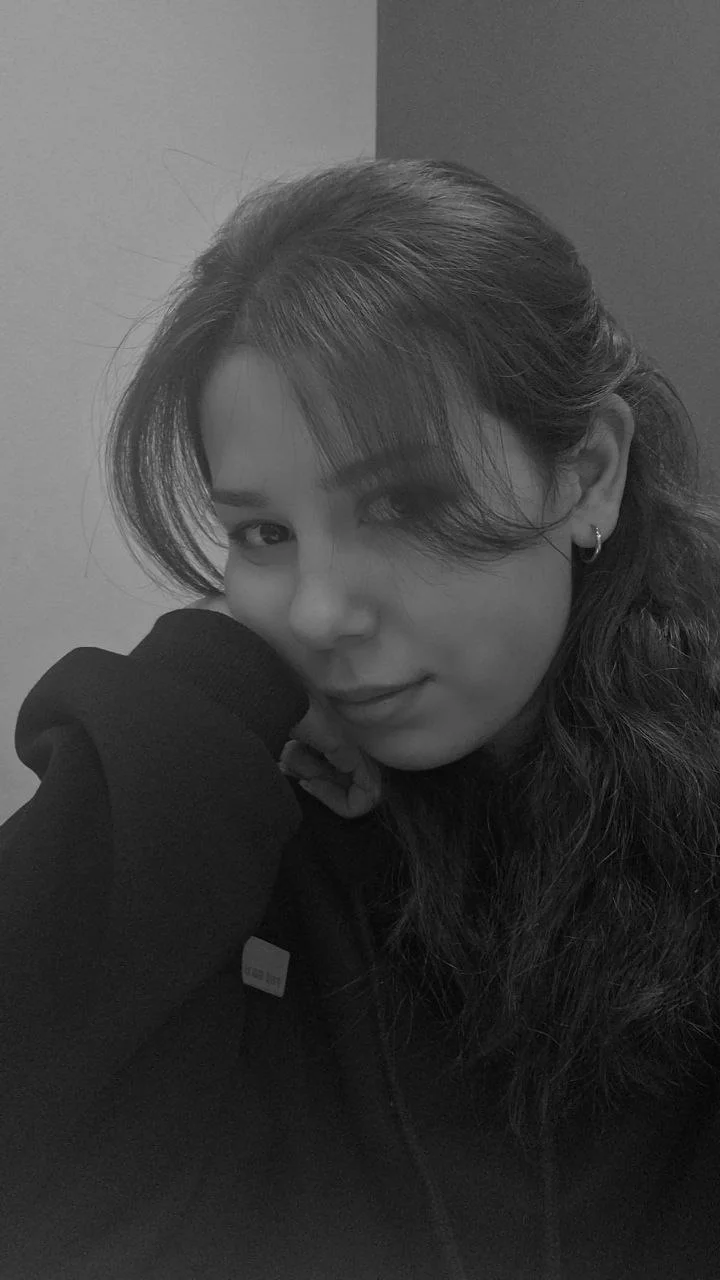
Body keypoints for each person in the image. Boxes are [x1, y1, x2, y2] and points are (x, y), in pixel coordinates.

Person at [2, 156, 720, 1280]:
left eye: (404, 503)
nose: (320, 614)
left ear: (587, 473)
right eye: (264, 533)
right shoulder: (253, 824)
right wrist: (213, 684)